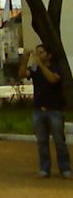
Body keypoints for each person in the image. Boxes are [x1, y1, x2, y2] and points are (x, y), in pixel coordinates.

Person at [18, 44, 71, 179]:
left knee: (59, 141)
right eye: (37, 53)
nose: (38, 55)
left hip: (54, 110)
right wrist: (25, 58)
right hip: (38, 110)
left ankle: (65, 168)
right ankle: (44, 168)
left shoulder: (56, 68)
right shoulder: (35, 70)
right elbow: (22, 74)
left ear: (49, 55)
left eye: (41, 52)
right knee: (42, 141)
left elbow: (52, 79)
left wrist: (41, 65)